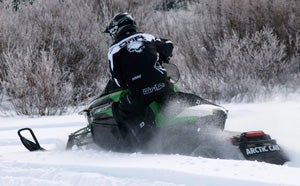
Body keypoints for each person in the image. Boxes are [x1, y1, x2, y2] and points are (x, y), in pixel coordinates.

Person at [104, 12, 174, 146]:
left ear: (117, 29)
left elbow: (118, 80)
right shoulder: (148, 37)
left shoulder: (114, 49)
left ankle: (134, 146)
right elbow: (169, 45)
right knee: (173, 105)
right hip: (162, 86)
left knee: (121, 110)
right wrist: (163, 57)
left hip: (140, 92)